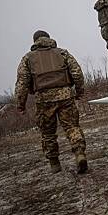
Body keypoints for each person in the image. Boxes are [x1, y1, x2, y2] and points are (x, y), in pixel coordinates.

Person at [15, 30, 88, 174]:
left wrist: (20, 104)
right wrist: (79, 92)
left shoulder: (28, 59)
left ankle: (54, 164)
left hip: (43, 100)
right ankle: (79, 154)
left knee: (48, 133)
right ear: (48, 39)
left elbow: (22, 84)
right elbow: (77, 73)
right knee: (72, 127)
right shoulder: (62, 53)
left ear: (35, 41)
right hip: (66, 96)